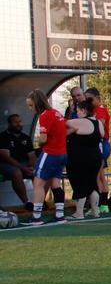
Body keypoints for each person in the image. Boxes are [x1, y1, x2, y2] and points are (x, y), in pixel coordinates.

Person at [26, 89, 67, 225]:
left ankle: (36, 217)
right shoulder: (57, 112)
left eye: (31, 105)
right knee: (56, 184)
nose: (30, 108)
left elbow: (43, 138)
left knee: (38, 184)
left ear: (38, 103)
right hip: (62, 154)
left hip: (50, 153)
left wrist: (38, 141)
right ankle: (60, 215)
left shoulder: (44, 115)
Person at [64, 99, 103, 219]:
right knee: (91, 183)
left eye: (78, 111)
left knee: (79, 183)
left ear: (84, 110)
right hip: (96, 157)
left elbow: (62, 123)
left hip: (80, 158)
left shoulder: (80, 122)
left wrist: (69, 112)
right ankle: (95, 211)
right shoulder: (98, 123)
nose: (77, 113)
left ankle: (79, 212)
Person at [0, 113, 35, 210]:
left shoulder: (26, 138)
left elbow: (32, 156)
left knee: (39, 171)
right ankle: (26, 202)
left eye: (20, 121)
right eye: (15, 122)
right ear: (9, 124)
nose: (18, 124)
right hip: (6, 164)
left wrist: (32, 167)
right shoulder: (3, 136)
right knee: (16, 172)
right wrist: (23, 168)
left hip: (23, 164)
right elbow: (6, 157)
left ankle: (39, 201)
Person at [86, 88, 111, 213]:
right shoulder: (94, 109)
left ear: (97, 97)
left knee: (98, 176)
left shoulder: (100, 109)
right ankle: (102, 205)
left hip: (101, 144)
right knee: (99, 175)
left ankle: (100, 204)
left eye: (90, 99)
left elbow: (99, 125)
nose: (88, 101)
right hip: (98, 144)